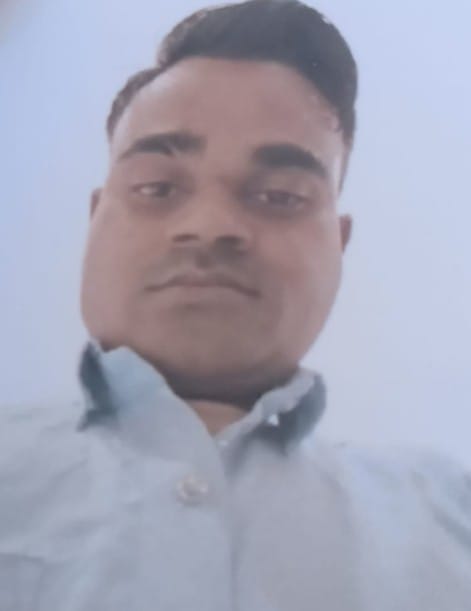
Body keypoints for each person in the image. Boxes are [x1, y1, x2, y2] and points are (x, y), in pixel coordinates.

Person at [1, 1, 470, 609]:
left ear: (338, 243)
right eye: (156, 188)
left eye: (279, 196)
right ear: (96, 219)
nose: (211, 226)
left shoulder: (450, 512)